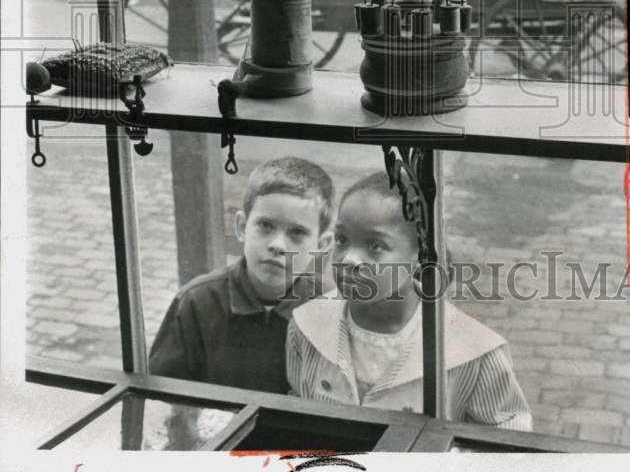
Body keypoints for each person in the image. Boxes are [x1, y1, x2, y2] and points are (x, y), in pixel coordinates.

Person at [286, 171, 533, 431]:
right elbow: (297, 405)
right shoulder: (307, 324)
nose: (348, 259)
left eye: (375, 245)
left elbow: (507, 440)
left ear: (420, 256)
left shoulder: (475, 353)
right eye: (342, 240)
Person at [149, 156, 334, 394]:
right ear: (241, 227)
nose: (277, 244)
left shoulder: (331, 309)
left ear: (321, 245)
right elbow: (163, 399)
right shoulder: (196, 303)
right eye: (265, 226)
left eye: (297, 232)